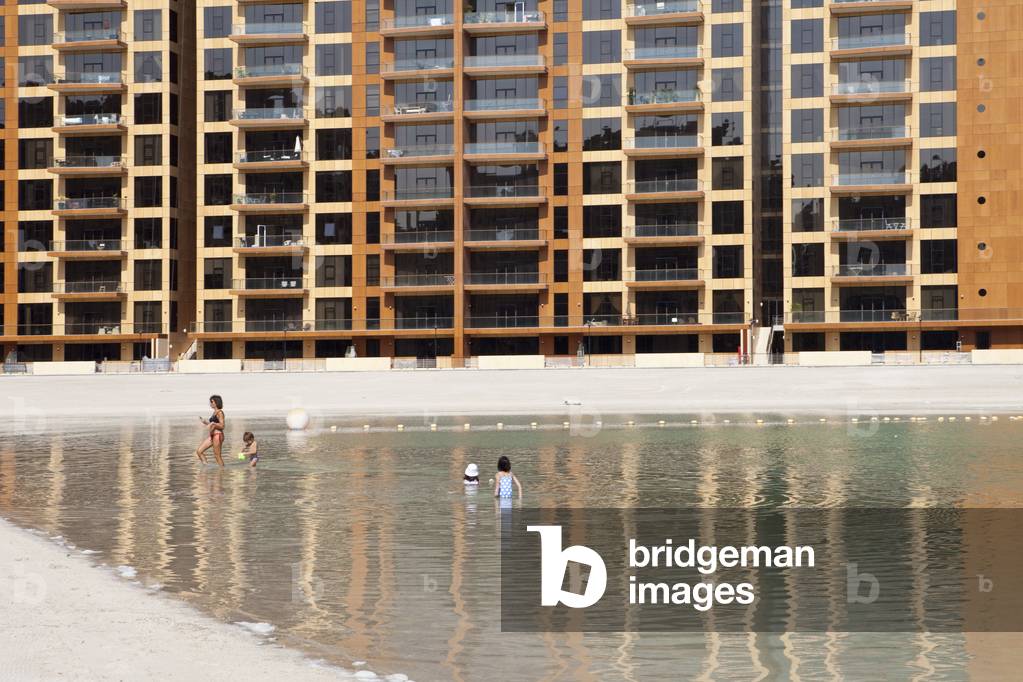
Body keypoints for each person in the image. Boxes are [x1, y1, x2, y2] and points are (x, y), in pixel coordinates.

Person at [195, 395, 225, 467]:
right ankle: (206, 467)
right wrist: (205, 422)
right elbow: (213, 424)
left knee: (217, 456)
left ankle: (222, 472)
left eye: (212, 402)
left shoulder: (220, 413)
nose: (210, 403)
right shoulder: (214, 412)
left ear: (216, 402)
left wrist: (213, 423)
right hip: (212, 436)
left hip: (218, 435)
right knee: (199, 451)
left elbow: (222, 426)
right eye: (210, 402)